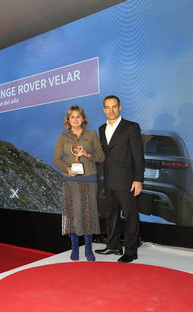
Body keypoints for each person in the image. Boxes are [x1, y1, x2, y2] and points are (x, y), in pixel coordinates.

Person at [95, 95, 144, 263]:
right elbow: (102, 155)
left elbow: (138, 156)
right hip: (109, 180)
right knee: (111, 215)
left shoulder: (131, 127)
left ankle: (131, 251)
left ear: (120, 108)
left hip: (127, 181)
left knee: (130, 215)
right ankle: (114, 245)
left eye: (114, 106)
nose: (111, 110)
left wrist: (138, 179)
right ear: (103, 110)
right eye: (108, 107)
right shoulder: (101, 129)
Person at [54, 105, 105, 261]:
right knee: (74, 215)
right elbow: (56, 159)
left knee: (88, 213)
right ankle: (75, 248)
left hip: (89, 178)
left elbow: (101, 157)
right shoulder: (63, 137)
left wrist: (87, 154)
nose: (75, 119)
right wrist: (67, 168)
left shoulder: (91, 134)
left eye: (78, 116)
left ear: (83, 118)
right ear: (68, 120)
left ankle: (89, 249)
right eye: (72, 117)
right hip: (71, 180)